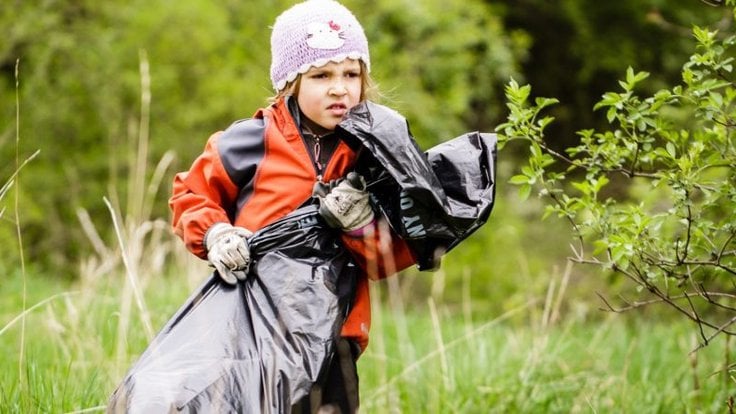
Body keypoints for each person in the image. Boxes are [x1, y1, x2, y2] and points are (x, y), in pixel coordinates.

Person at [168, 0, 417, 412]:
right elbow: (190, 195)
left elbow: (393, 255)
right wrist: (216, 233)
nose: (340, 88)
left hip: (335, 337)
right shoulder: (248, 141)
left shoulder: (373, 153)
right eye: (322, 75)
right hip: (248, 330)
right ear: (291, 81)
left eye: (351, 74)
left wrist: (359, 227)